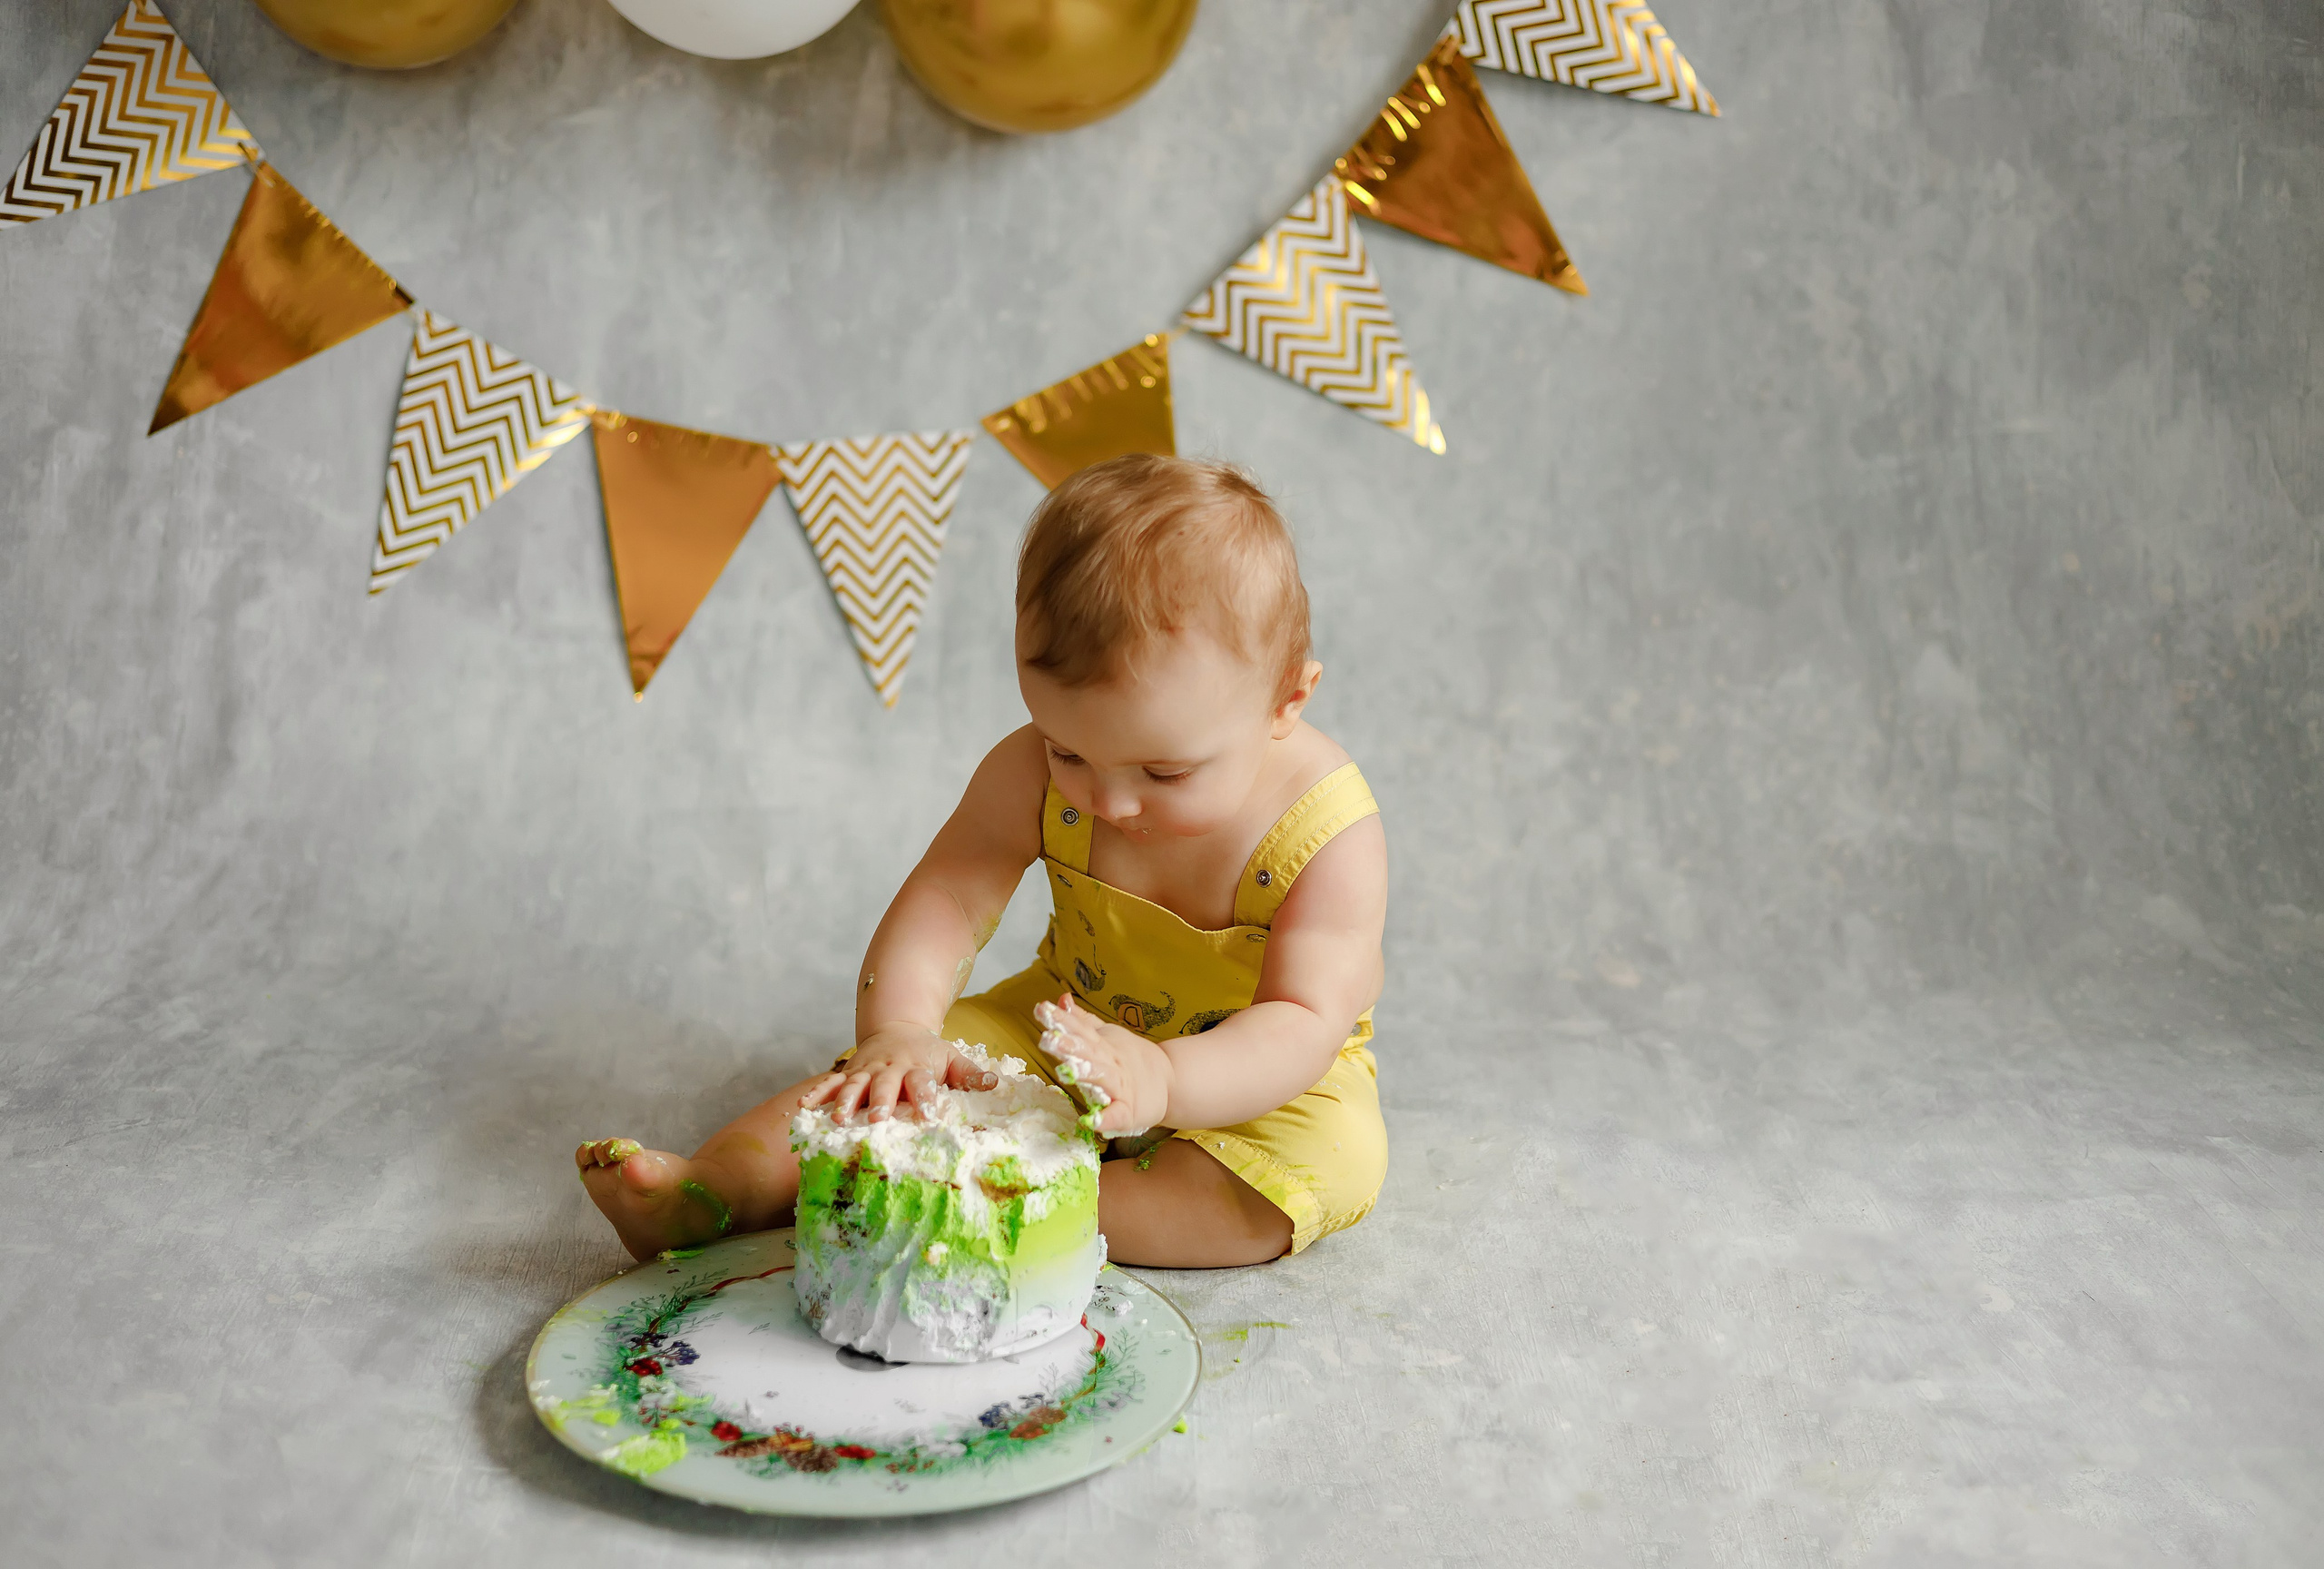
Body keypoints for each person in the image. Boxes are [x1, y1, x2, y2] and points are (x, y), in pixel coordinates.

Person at [577, 454, 1388, 1267]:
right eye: (1069, 750)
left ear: (1288, 698)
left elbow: (1303, 1020)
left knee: (1332, 1159)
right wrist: (898, 1030)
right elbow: (949, 902)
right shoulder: (1031, 770)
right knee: (891, 1083)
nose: (1108, 803)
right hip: (1067, 1025)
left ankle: (1040, 1202)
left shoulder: (1327, 836)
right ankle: (724, 1188)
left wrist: (1169, 1081)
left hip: (1262, 1080)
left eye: (1164, 773)